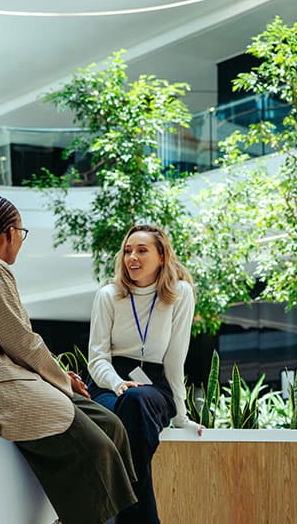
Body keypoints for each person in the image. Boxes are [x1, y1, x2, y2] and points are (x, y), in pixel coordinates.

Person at [0, 195, 137, 524]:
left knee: (111, 425)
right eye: (22, 234)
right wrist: (64, 380)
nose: (21, 243)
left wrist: (59, 378)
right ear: (9, 233)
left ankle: (89, 515)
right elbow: (22, 342)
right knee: (96, 449)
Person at [88, 224, 204, 524]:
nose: (132, 257)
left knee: (137, 401)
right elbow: (97, 358)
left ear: (162, 256)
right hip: (108, 383)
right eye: (127, 251)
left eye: (142, 250)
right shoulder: (107, 296)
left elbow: (176, 359)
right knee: (130, 402)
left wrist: (180, 414)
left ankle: (115, 512)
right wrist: (118, 384)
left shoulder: (180, 293)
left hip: (154, 386)